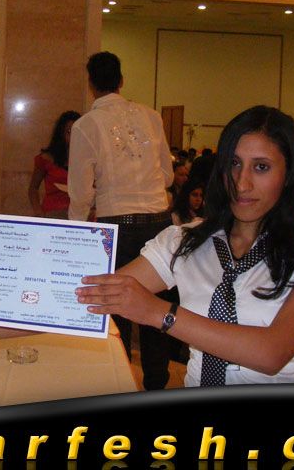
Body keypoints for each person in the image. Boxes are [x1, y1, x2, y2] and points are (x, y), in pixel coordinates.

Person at [74, 105, 294, 386]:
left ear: (289, 173)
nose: (242, 183)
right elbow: (88, 293)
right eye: (234, 163)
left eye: (261, 167)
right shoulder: (184, 241)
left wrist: (158, 312)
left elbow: (271, 353)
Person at [68, 51, 174, 390]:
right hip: (159, 224)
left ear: (91, 84)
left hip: (116, 226)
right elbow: (168, 176)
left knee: (116, 309)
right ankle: (157, 386)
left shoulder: (86, 125)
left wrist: (76, 232)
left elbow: (80, 193)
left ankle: (120, 384)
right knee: (156, 309)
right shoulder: (151, 116)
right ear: (121, 81)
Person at [28, 110, 80, 218]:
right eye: (69, 131)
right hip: (53, 214)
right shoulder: (46, 159)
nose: (73, 136)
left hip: (80, 216)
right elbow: (33, 189)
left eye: (77, 132)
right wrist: (39, 213)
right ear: (61, 133)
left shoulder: (87, 159)